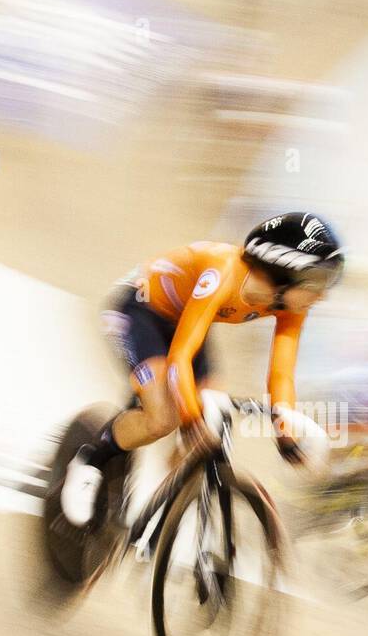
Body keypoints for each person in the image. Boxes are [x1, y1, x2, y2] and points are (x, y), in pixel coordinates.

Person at [61, 211, 345, 526]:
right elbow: (180, 358)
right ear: (283, 270)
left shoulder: (292, 304)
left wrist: (286, 433)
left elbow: (281, 374)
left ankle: (162, 511)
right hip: (139, 312)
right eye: (318, 281)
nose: (323, 295)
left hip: (187, 321)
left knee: (213, 420)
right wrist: (190, 418)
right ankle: (91, 458)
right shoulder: (223, 271)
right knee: (164, 418)